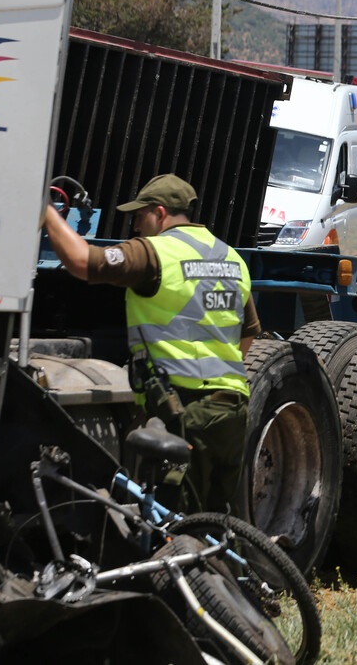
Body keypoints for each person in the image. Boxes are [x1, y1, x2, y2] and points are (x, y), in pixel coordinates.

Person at [42, 173, 259, 513]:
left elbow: (84, 262)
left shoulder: (156, 253)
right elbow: (250, 330)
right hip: (233, 410)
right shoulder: (232, 259)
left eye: (139, 217)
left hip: (189, 413)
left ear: (159, 213)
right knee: (213, 524)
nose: (135, 228)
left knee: (175, 529)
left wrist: (47, 213)